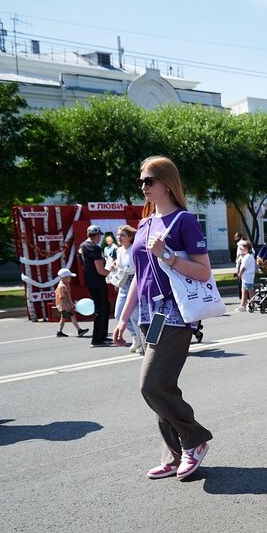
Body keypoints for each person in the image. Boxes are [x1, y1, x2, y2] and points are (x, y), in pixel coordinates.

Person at [113, 156, 214, 480]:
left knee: (152, 384)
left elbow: (203, 271)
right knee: (163, 387)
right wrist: (122, 318)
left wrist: (167, 256)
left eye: (149, 181)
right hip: (147, 313)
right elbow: (137, 278)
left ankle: (194, 439)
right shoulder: (144, 223)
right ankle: (172, 455)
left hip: (174, 312)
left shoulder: (184, 221)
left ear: (166, 183)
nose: (143, 187)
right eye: (141, 181)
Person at [110, 225, 142, 353]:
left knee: (134, 315)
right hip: (123, 283)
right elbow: (119, 264)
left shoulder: (134, 249)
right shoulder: (119, 250)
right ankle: (136, 337)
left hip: (134, 281)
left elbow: (138, 267)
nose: (119, 237)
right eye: (118, 235)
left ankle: (140, 340)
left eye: (122, 235)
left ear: (130, 237)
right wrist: (114, 266)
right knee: (118, 314)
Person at [80, 225, 112, 346]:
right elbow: (100, 270)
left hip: (90, 281)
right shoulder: (94, 248)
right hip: (98, 282)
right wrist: (112, 272)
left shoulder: (83, 246)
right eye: (99, 235)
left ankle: (102, 336)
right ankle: (97, 339)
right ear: (97, 235)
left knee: (103, 307)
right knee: (101, 309)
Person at [54, 267, 89, 338]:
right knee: (73, 316)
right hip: (64, 306)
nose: (70, 278)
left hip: (63, 306)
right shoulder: (62, 286)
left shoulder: (64, 284)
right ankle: (79, 330)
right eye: (69, 277)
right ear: (64, 277)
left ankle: (59, 331)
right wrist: (69, 305)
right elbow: (62, 297)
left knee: (63, 318)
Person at [236, 240, 256, 311]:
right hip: (246, 277)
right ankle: (243, 305)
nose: (241, 249)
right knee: (244, 291)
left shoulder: (248, 256)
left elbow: (244, 267)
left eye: (242, 248)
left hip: (248, 277)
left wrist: (239, 274)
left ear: (246, 248)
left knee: (250, 291)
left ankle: (252, 305)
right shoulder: (247, 256)